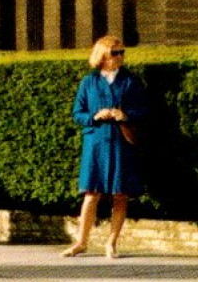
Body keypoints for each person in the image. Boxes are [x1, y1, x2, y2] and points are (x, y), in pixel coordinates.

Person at [63, 35, 148, 259]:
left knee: (120, 194)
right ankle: (81, 242)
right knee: (91, 193)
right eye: (115, 53)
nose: (120, 57)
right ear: (102, 55)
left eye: (122, 52)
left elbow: (144, 109)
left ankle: (112, 243)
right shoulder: (89, 82)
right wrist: (95, 116)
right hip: (96, 142)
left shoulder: (131, 80)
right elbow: (77, 113)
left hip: (121, 142)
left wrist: (126, 115)